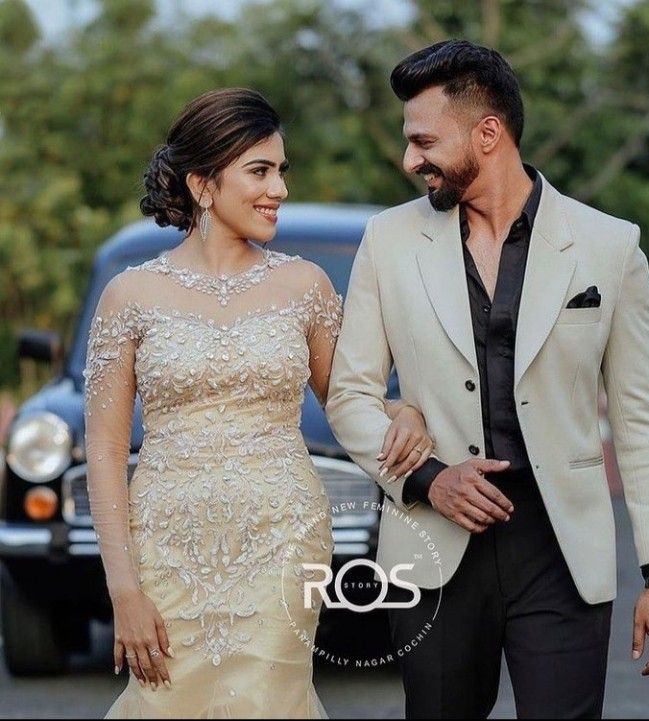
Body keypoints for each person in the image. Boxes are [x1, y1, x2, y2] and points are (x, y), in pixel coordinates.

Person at [326, 41, 649, 719]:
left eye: (423, 141)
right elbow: (349, 394)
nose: (410, 160)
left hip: (559, 550)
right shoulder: (388, 240)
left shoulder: (609, 246)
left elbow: (640, 423)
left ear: (487, 134)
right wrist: (431, 476)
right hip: (431, 544)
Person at [83, 87, 432, 719]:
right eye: (260, 171)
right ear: (202, 184)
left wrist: (402, 413)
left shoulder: (305, 286)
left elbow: (351, 403)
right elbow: (105, 451)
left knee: (268, 700)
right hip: (166, 542)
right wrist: (123, 588)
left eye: (281, 172)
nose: (279, 190)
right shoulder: (128, 295)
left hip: (282, 537)